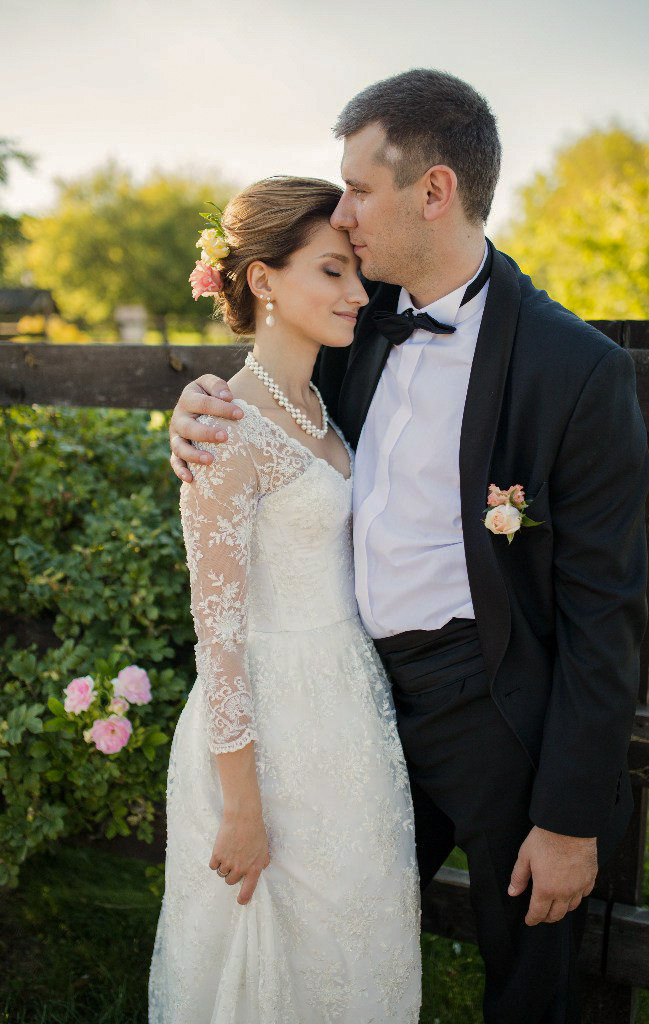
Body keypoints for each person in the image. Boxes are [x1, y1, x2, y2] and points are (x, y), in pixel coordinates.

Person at [168, 70, 649, 1024]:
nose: (343, 214)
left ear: (433, 191)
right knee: (335, 940)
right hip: (346, 705)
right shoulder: (356, 324)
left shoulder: (575, 370)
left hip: (490, 705)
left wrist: (568, 815)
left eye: (357, 187)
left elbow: (609, 613)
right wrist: (186, 410)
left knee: (530, 970)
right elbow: (270, 409)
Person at [148, 176, 421, 1024]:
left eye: (356, 272)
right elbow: (218, 636)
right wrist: (241, 806)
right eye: (332, 272)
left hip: (347, 714)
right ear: (263, 280)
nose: (357, 292)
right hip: (264, 732)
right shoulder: (225, 426)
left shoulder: (321, 412)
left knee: (352, 938)